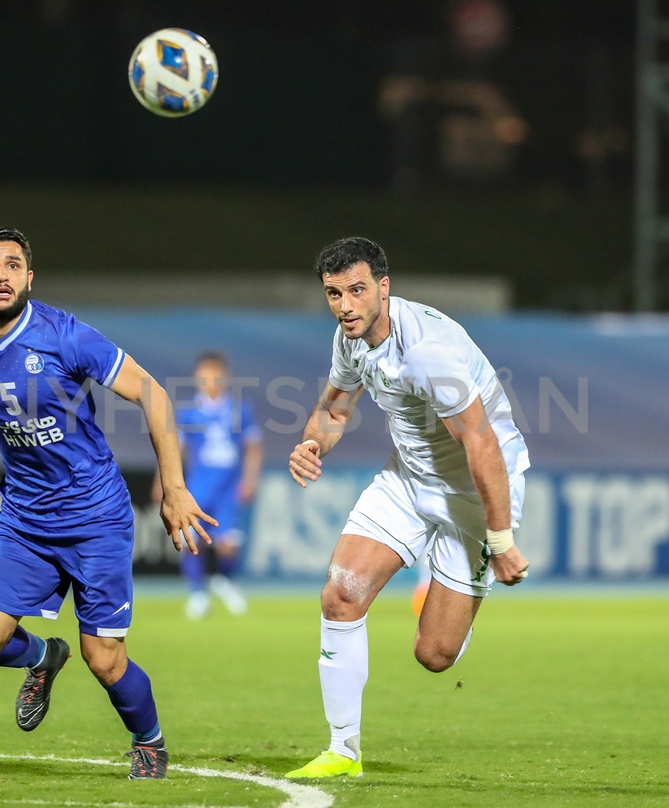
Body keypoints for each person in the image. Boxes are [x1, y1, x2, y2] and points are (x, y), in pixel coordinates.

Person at [0, 226, 215, 780]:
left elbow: (152, 393)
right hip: (25, 519)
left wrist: (175, 488)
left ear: (30, 278)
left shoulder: (66, 336)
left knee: (104, 660)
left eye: (14, 265)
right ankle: (41, 657)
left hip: (95, 517)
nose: (3, 274)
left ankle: (148, 741)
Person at [284, 236, 530, 779]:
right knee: (341, 594)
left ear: (383, 288)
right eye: (334, 293)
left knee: (435, 655)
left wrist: (502, 540)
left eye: (356, 290)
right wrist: (311, 444)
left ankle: (462, 593)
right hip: (409, 479)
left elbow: (482, 445)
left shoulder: (428, 352)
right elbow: (335, 408)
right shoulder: (349, 339)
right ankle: (342, 751)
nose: (345, 305)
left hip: (473, 493)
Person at [152, 352, 263, 619]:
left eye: (213, 375)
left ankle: (224, 580)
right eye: (203, 376)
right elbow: (173, 451)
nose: (207, 380)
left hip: (228, 489)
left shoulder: (240, 411)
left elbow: (253, 447)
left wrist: (250, 480)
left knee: (229, 543)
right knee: (194, 542)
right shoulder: (188, 413)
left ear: (223, 377)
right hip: (197, 488)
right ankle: (197, 594)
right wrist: (162, 482)